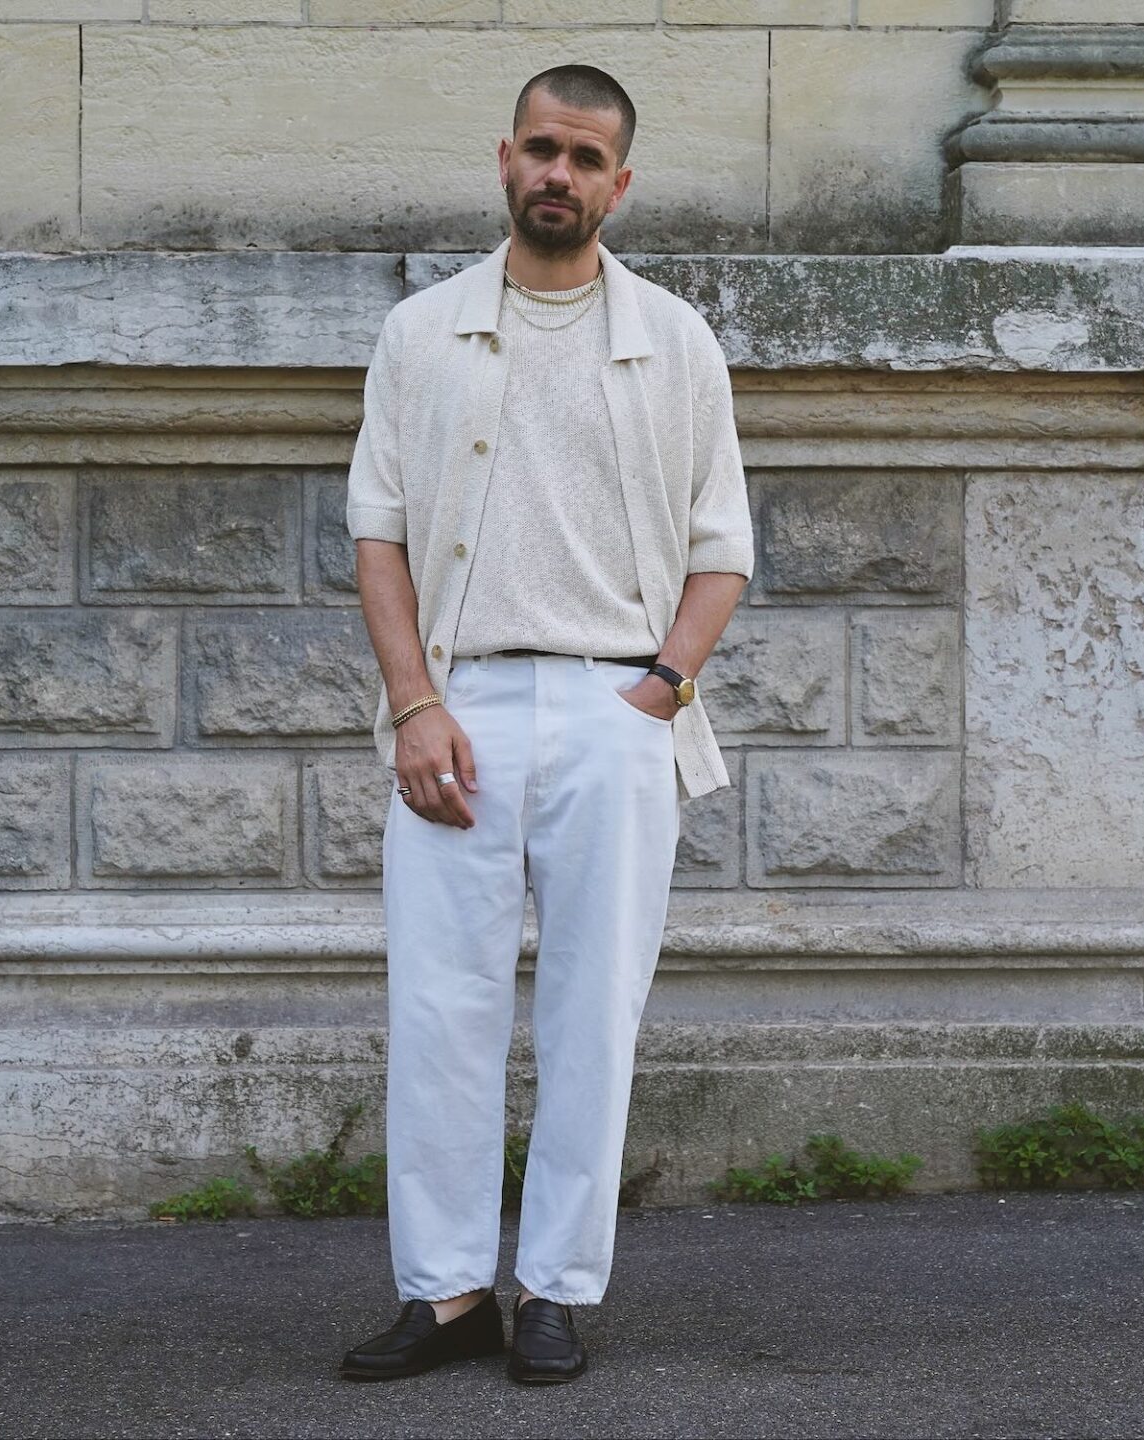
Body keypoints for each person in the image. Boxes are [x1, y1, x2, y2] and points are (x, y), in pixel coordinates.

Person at [339, 62, 754, 1386]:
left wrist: (660, 695)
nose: (557, 176)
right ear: (504, 159)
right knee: (440, 1008)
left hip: (613, 705)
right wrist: (413, 707)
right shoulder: (423, 334)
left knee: (592, 1014)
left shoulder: (675, 342)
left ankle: (558, 1288)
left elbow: (723, 550)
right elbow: (379, 538)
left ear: (618, 183)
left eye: (585, 159)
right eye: (539, 151)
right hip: (454, 709)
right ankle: (446, 1291)